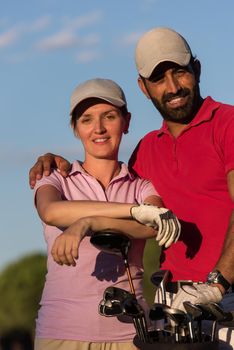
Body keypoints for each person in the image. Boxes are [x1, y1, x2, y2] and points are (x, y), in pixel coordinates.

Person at [29, 27, 234, 347]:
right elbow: (135, 210)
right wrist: (53, 160)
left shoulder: (228, 122)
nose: (172, 87)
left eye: (179, 72)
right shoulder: (146, 152)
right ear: (144, 87)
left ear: (197, 69)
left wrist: (218, 284)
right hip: (173, 303)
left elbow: (147, 220)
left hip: (225, 295)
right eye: (158, 78)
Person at [32, 77, 180, 350]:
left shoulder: (141, 185)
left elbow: (154, 225)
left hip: (131, 336)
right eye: (86, 119)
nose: (98, 128)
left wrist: (89, 222)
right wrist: (133, 212)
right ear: (75, 128)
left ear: (126, 121)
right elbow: (51, 211)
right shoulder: (56, 179)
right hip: (62, 333)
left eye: (109, 116)